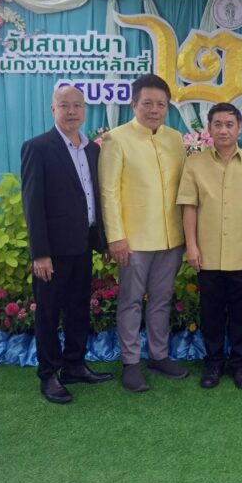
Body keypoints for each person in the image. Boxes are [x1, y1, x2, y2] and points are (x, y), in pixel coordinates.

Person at [21, 85, 112, 404]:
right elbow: (32, 204)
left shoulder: (92, 150)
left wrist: (102, 242)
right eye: (64, 105)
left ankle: (74, 364)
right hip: (53, 252)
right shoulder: (38, 147)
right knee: (48, 313)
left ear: (85, 109)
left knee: (78, 309)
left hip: (83, 245)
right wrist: (40, 254)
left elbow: (95, 197)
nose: (72, 111)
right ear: (53, 110)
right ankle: (48, 374)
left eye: (77, 105)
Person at [98, 74, 189, 393]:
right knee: (131, 301)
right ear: (134, 104)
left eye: (161, 104)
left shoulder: (175, 139)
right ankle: (131, 362)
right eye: (147, 103)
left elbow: (184, 188)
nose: (154, 110)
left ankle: (159, 356)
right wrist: (116, 237)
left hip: (171, 237)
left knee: (162, 299)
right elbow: (108, 192)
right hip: (133, 239)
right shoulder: (116, 139)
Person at [177, 102, 242, 390]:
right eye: (217, 124)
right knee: (211, 314)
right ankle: (214, 363)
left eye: (229, 124)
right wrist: (192, 246)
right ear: (209, 129)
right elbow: (189, 207)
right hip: (207, 255)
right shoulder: (195, 163)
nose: (223, 130)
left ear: (239, 128)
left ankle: (240, 364)